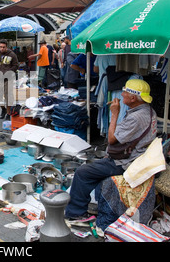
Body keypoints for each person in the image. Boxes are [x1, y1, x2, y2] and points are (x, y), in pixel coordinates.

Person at [65, 79, 157, 221]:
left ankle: (75, 213)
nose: (122, 93)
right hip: (137, 157)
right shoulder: (148, 110)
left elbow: (112, 139)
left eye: (125, 91)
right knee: (95, 165)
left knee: (82, 172)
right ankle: (96, 201)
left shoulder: (137, 117)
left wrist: (114, 114)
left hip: (126, 162)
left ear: (133, 97)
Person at [0, 39, 19, 120]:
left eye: (3, 47)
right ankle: (3, 109)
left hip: (8, 78)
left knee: (8, 96)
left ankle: (8, 113)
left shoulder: (12, 55)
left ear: (6, 47)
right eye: (0, 47)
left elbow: (16, 65)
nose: (2, 49)